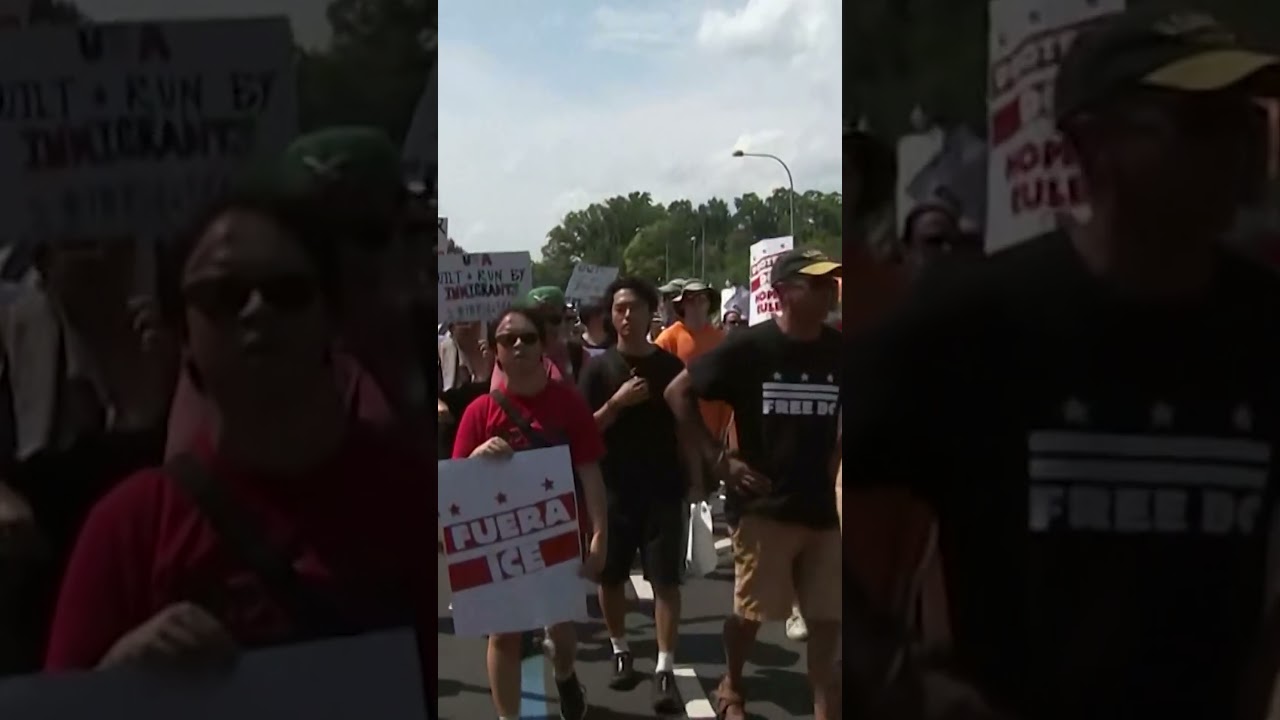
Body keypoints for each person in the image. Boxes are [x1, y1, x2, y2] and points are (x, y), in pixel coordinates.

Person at [846, 10, 1280, 720]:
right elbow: (812, 469)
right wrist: (888, 670)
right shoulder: (978, 321)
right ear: (1092, 143)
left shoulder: (1265, 326)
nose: (1236, 148)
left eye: (1245, 121)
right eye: (1197, 123)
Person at [43, 190, 438, 709]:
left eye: (286, 292)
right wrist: (118, 676)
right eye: (223, 296)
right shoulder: (130, 527)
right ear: (181, 332)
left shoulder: (420, 502)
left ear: (331, 317)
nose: (257, 312)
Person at [666, 249, 843, 720]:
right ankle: (733, 682)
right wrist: (719, 461)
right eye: (818, 283)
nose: (831, 291)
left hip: (820, 511)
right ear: (783, 292)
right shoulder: (750, 348)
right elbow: (677, 393)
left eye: (832, 283)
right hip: (763, 508)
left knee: (828, 624)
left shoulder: (839, 348)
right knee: (751, 615)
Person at [165, 127, 414, 460]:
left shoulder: (433, 340)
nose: (343, 258)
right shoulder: (231, 368)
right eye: (316, 240)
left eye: (367, 233)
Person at [452, 305, 608, 720]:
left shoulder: (569, 406)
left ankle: (566, 673)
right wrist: (477, 456)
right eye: (508, 339)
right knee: (504, 634)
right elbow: (456, 485)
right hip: (500, 542)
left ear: (544, 345)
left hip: (556, 538)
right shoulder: (478, 413)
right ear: (494, 351)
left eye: (528, 337)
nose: (518, 345)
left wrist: (599, 536)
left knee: (560, 627)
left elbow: (589, 472)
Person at [577, 277, 690, 713]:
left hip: (664, 487)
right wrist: (618, 403)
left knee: (665, 580)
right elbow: (584, 431)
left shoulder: (670, 367)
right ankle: (621, 649)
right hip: (613, 490)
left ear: (651, 312)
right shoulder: (598, 369)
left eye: (634, 308)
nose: (626, 316)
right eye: (619, 309)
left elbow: (683, 427)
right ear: (611, 315)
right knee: (611, 576)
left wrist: (697, 479)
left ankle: (664, 665)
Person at [490, 287, 589, 388]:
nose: (546, 327)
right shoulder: (513, 358)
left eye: (554, 319)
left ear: (565, 319)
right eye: (538, 321)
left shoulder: (578, 356)